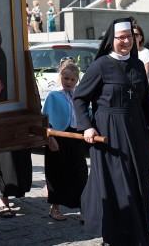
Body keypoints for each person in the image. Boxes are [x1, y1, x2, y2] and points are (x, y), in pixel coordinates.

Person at [73, 17, 149, 245]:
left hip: (136, 133)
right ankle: (113, 237)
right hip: (110, 134)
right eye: (121, 37)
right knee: (117, 187)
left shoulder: (136, 65)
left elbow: (146, 101)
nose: (126, 41)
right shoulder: (100, 66)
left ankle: (138, 235)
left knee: (140, 184)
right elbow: (80, 97)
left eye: (129, 37)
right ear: (111, 39)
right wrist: (87, 126)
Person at [42, 59, 87, 223]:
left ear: (77, 80)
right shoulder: (53, 95)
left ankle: (84, 208)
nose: (69, 82)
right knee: (57, 173)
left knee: (80, 173)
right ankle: (55, 207)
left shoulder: (79, 95)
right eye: (66, 78)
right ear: (60, 77)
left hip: (75, 138)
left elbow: (84, 113)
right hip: (58, 137)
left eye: (72, 79)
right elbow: (45, 119)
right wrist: (50, 138)